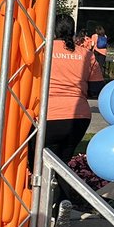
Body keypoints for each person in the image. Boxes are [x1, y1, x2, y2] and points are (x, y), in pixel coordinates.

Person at [45, 14, 95, 164]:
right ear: (73, 31)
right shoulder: (86, 54)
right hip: (79, 116)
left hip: (49, 113)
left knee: (39, 163)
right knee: (62, 164)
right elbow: (97, 87)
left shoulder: (43, 49)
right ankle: (63, 186)